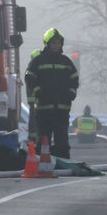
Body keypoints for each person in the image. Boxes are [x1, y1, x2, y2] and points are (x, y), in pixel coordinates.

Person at [24, 28, 80, 158]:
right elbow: (29, 78)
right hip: (44, 110)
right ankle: (42, 164)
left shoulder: (66, 62)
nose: (56, 45)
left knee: (62, 141)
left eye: (58, 43)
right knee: (44, 141)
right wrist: (38, 92)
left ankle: (64, 163)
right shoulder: (38, 61)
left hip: (62, 109)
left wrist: (71, 93)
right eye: (53, 43)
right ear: (47, 43)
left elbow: (74, 78)